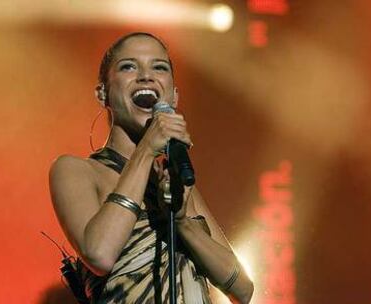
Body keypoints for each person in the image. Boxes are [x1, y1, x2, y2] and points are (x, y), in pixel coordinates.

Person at [49, 32, 254, 303]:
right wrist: (146, 149)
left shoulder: (174, 181)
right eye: (129, 66)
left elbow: (242, 289)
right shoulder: (76, 171)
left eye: (159, 67)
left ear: (174, 96)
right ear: (103, 93)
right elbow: (100, 254)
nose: (146, 76)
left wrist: (183, 223)